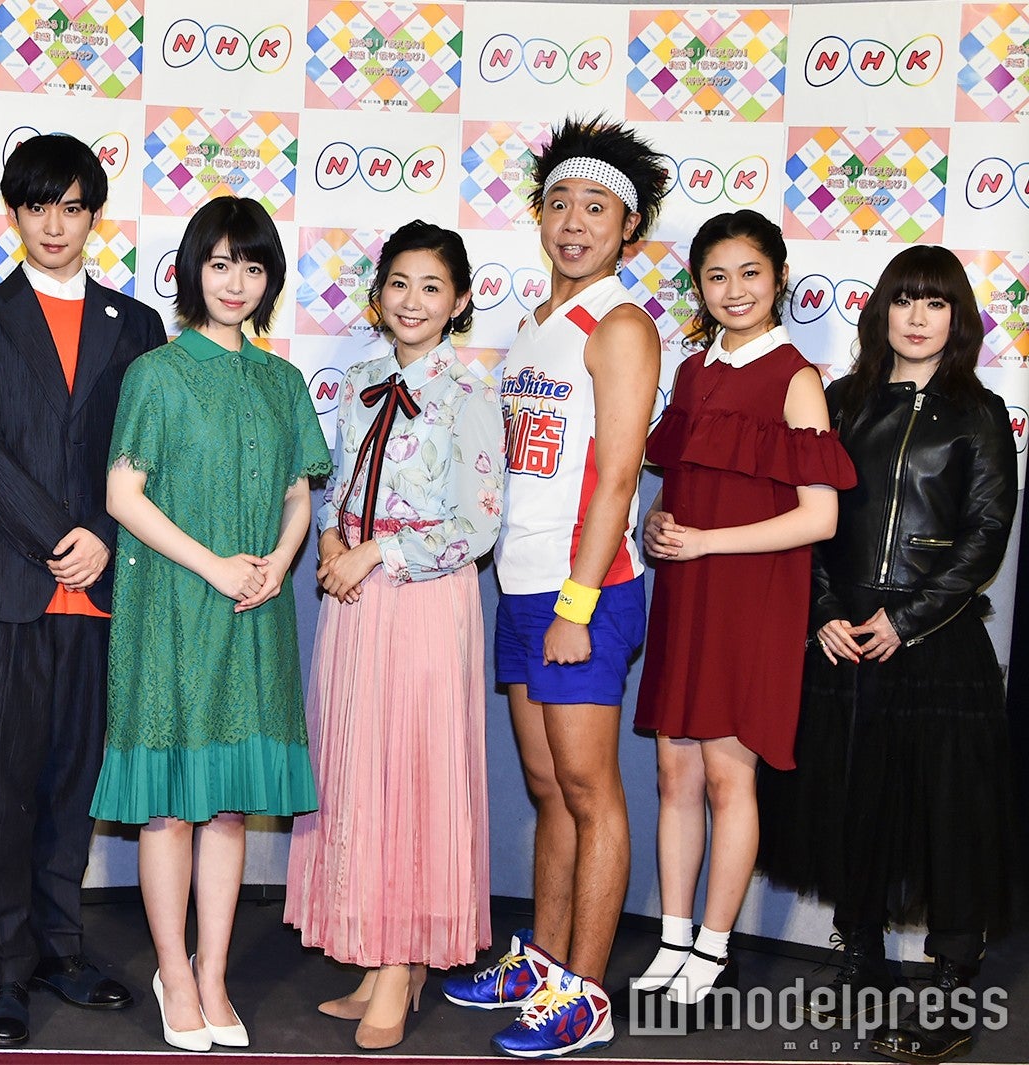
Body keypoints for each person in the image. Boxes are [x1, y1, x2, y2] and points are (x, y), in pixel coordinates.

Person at [757, 246, 1016, 1064]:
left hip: (935, 646)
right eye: (904, 300)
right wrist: (825, 612)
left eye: (935, 303)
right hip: (843, 644)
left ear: (957, 318)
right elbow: (808, 520)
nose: (917, 317)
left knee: (948, 818)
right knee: (850, 803)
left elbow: (985, 534)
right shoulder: (840, 402)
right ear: (882, 312)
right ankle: (861, 960)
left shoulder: (981, 413)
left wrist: (906, 618)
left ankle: (953, 985)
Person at [0, 133, 166, 1047]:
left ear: (93, 216)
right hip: (5, 588)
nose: (55, 224)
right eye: (38, 207)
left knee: (74, 782)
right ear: (15, 214)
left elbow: (148, 453)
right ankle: (3, 970)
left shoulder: (136, 326)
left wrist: (103, 533)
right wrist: (60, 537)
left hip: (101, 591)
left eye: (72, 207)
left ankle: (60, 947)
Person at [451, 114, 670, 1058]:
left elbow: (617, 477)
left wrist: (578, 604)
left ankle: (586, 991)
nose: (574, 223)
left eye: (596, 208)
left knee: (590, 789)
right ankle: (542, 962)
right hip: (522, 584)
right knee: (548, 788)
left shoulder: (621, 325)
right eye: (559, 204)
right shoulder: (535, 326)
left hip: (587, 590)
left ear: (629, 228)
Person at [92, 195, 332, 1052]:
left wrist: (276, 560)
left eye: (254, 266)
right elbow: (123, 495)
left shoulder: (282, 380)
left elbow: (299, 495)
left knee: (229, 806)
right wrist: (216, 565)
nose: (236, 282)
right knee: (169, 807)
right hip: (172, 606)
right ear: (193, 269)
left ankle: (215, 970)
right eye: (222, 263)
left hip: (252, 608)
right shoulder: (155, 373)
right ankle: (175, 971)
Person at [625, 209, 852, 1021]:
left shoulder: (795, 376)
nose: (734, 290)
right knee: (674, 772)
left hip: (753, 596)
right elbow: (678, 489)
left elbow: (820, 516)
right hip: (687, 592)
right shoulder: (691, 373)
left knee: (729, 775)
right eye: (716, 276)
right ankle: (673, 938)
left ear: (779, 277)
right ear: (698, 285)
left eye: (750, 272)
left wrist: (707, 541)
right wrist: (660, 525)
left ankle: (713, 946)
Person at [285, 220, 504, 1052]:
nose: (413, 301)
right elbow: (339, 483)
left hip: (422, 601)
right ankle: (384, 959)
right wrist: (332, 542)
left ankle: (403, 961)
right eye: (400, 284)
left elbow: (478, 526)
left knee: (413, 774)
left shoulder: (469, 392)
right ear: (377, 295)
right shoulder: (360, 380)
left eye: (432, 287)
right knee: (358, 774)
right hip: (353, 604)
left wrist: (377, 552)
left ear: (460, 301)